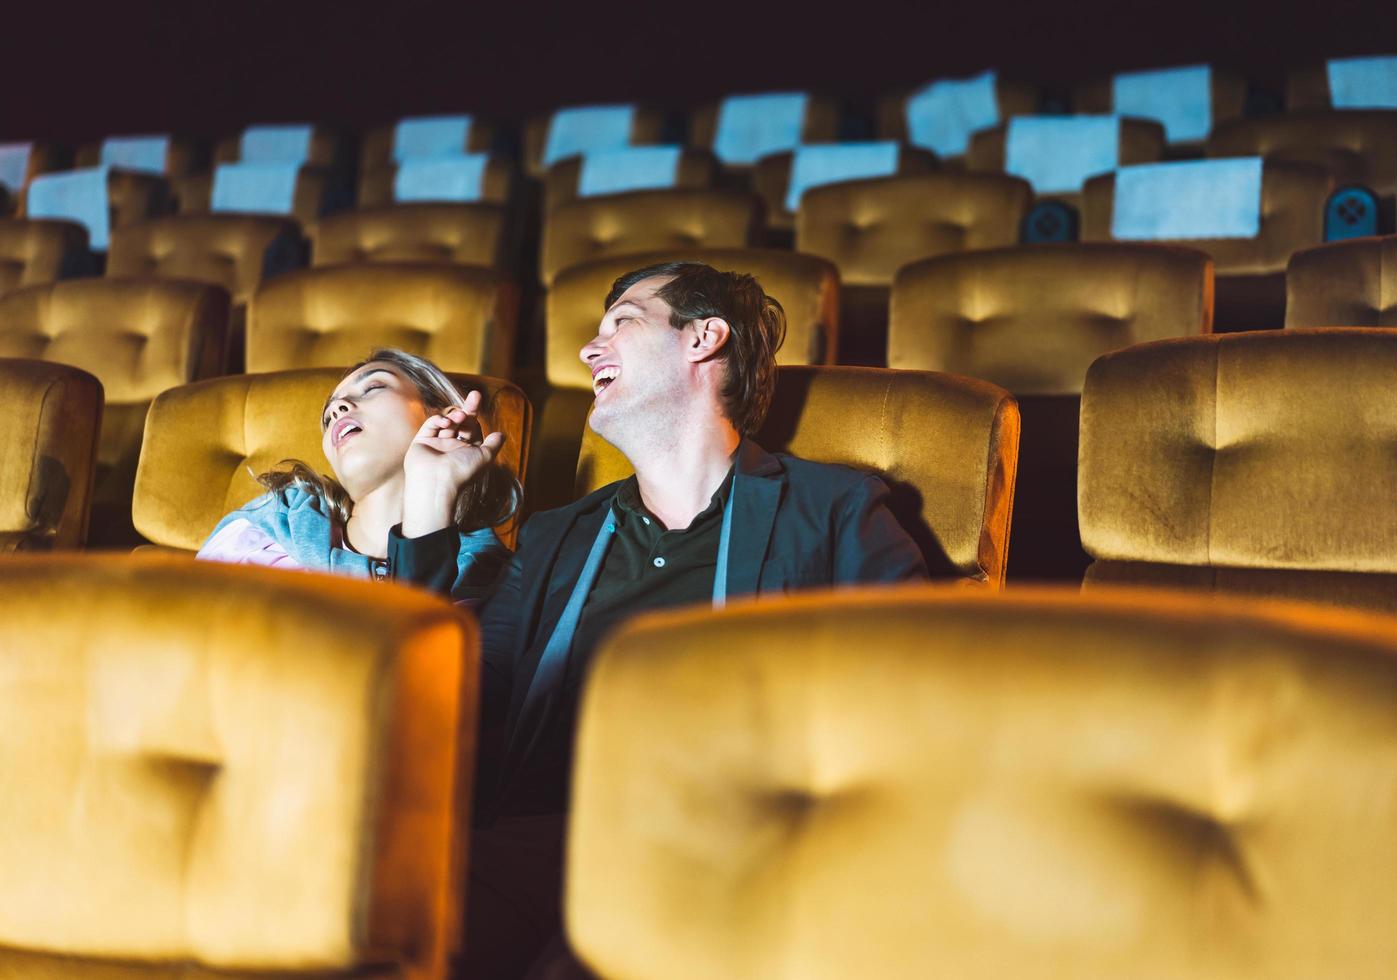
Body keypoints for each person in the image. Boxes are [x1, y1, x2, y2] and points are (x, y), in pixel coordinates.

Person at [389, 262, 926, 977]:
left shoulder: (830, 509)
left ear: (704, 338)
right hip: (536, 845)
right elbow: (444, 696)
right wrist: (427, 510)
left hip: (716, 851)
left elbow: (907, 697)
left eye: (623, 323)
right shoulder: (557, 536)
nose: (588, 348)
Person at [197, 347, 516, 591]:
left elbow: (412, 672)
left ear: (444, 416)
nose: (337, 409)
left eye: (374, 388)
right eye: (328, 414)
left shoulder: (491, 579)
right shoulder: (265, 527)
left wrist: (431, 497)